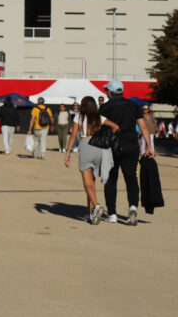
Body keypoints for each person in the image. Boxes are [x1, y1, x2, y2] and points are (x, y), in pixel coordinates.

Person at [99, 80, 155, 225]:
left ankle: (112, 214)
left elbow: (99, 128)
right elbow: (143, 127)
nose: (106, 92)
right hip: (131, 145)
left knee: (111, 179)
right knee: (131, 178)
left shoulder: (105, 107)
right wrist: (149, 147)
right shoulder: (133, 105)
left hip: (111, 146)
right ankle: (132, 209)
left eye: (106, 90)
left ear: (110, 92)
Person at [64, 96, 112, 224]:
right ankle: (90, 212)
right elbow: (115, 127)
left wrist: (68, 152)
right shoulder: (99, 117)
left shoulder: (79, 116)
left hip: (86, 146)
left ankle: (96, 205)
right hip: (99, 147)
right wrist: (106, 137)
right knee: (92, 182)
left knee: (87, 182)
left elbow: (73, 135)